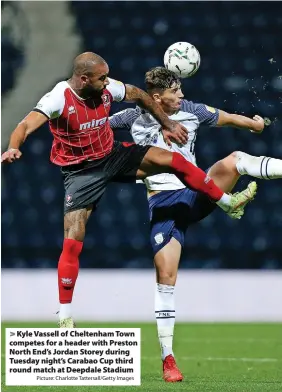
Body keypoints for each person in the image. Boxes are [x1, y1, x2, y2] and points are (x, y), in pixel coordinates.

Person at [2, 53, 257, 330]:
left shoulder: (108, 87)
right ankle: (64, 314)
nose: (107, 82)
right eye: (102, 78)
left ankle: (227, 201)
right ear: (84, 78)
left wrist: (167, 123)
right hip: (81, 171)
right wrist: (14, 146)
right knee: (73, 237)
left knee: (173, 160)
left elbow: (138, 95)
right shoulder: (58, 98)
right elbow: (25, 124)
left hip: (111, 154)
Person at [110, 66, 282, 383]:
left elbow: (227, 117)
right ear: (158, 97)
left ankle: (231, 198)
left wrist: (254, 124)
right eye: (177, 92)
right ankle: (168, 359)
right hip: (163, 205)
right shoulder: (131, 117)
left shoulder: (192, 111)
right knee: (166, 275)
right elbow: (95, 129)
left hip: (198, 190)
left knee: (237, 159)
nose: (183, 96)